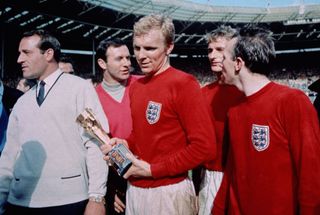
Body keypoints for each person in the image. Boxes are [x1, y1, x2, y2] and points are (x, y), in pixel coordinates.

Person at [101, 14, 216, 215]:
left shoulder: (184, 84)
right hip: (135, 189)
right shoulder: (137, 87)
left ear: (169, 47)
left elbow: (204, 147)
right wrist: (125, 144)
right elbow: (143, 134)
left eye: (150, 48)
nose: (141, 56)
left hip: (168, 191)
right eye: (137, 48)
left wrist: (153, 170)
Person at [213, 26, 320, 215]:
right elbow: (231, 172)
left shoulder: (292, 101)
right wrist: (218, 210)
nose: (219, 63)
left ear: (238, 63)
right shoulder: (234, 111)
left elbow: (311, 174)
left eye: (224, 58)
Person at [0, 29, 109, 215]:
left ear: (48, 54)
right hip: (20, 203)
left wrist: (97, 197)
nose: (19, 59)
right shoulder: (21, 102)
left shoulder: (79, 89)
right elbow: (9, 157)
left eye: (26, 52)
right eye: (19, 53)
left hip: (68, 201)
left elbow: (96, 142)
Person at [196, 25, 244, 215]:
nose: (212, 55)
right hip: (211, 176)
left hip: (243, 176)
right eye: (209, 50)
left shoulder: (248, 92)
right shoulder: (202, 94)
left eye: (219, 50)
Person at [95, 38, 140, 214]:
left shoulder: (144, 85)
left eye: (128, 58)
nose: (126, 63)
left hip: (151, 173)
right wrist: (107, 191)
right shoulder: (92, 98)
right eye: (119, 59)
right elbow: (93, 149)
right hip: (117, 182)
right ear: (102, 63)